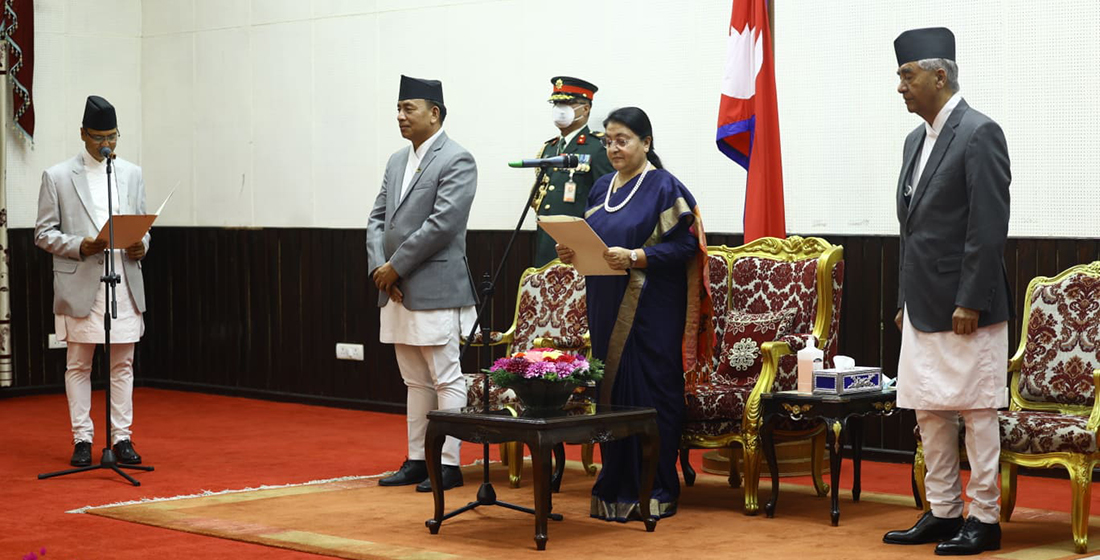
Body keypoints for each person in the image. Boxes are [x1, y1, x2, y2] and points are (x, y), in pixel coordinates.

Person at [881, 27, 1012, 556]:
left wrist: (970, 300)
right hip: (921, 304)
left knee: (977, 413)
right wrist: (902, 301)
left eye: (907, 76)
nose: (900, 87)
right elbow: (910, 230)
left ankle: (984, 518)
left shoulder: (980, 133)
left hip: (966, 307)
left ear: (940, 75)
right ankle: (942, 511)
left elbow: (988, 226)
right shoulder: (916, 140)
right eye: (899, 77)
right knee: (928, 411)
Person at [556, 107, 712, 521]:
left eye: (622, 139)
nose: (613, 147)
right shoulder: (600, 188)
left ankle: (656, 487)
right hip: (605, 302)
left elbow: (686, 248)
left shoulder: (665, 187)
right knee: (611, 393)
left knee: (650, 393)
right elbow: (598, 246)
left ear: (646, 142)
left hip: (652, 309)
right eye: (608, 140)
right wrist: (572, 252)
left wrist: (638, 256)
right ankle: (614, 483)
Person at [367, 75, 478, 493]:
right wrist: (382, 268)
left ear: (434, 112)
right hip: (395, 285)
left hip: (436, 286)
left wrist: (394, 267)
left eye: (408, 108)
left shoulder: (457, 159)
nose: (400, 116)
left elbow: (442, 224)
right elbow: (376, 218)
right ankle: (417, 458)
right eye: (398, 109)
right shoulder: (397, 160)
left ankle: (449, 463)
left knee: (446, 377)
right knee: (414, 380)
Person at [34, 95, 149, 467]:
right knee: (79, 364)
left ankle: (122, 438)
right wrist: (80, 245)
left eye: (113, 136)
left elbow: (143, 227)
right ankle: (82, 439)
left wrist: (141, 245)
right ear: (83, 133)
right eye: (99, 136)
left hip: (124, 282)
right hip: (83, 280)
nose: (106, 144)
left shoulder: (131, 173)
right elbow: (43, 233)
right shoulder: (57, 176)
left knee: (123, 364)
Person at [531, 76, 614, 267]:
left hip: (579, 248)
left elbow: (606, 202)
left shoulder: (597, 148)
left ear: (585, 108)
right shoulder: (549, 149)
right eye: (556, 103)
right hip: (546, 244)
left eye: (567, 103)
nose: (559, 109)